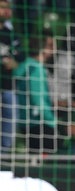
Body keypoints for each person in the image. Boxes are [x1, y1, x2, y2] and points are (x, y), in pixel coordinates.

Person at [13, 32, 59, 153]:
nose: (54, 49)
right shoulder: (36, 69)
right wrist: (51, 120)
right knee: (46, 166)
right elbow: (38, 99)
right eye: (51, 45)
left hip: (24, 121)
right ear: (43, 48)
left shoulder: (23, 66)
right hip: (38, 123)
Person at [0, 0, 21, 151]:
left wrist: (13, 62)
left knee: (10, 123)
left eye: (9, 8)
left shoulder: (10, 33)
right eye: (3, 7)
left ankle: (5, 159)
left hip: (8, 86)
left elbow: (19, 57)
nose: (7, 11)